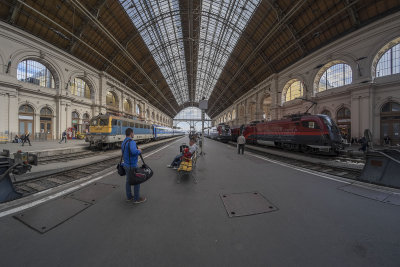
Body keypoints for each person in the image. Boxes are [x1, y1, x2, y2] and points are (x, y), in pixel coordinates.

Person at [122, 128, 146, 204]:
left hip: (125, 164)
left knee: (128, 181)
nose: (134, 134)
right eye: (133, 133)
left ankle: (129, 197)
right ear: (131, 133)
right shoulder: (131, 142)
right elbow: (133, 152)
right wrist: (139, 151)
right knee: (136, 181)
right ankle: (136, 198)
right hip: (132, 165)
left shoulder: (124, 142)